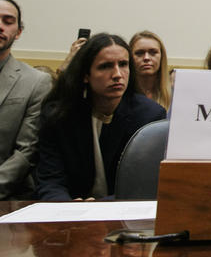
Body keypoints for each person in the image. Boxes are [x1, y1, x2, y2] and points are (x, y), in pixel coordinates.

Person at [34, 34, 166, 200]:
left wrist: (98, 208)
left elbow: (143, 186)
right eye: (105, 66)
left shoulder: (149, 116)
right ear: (85, 75)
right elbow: (50, 180)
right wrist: (66, 209)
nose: (118, 74)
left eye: (123, 64)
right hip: (69, 211)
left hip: (122, 212)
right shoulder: (58, 115)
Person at [0, 0, 52, 199]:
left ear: (19, 31)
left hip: (8, 199)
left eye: (8, 21)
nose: (0, 26)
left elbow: (26, 151)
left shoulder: (36, 82)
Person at [129, 31, 171, 110]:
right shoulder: (121, 94)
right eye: (139, 53)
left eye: (153, 52)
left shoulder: (174, 94)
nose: (146, 58)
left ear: (162, 57)